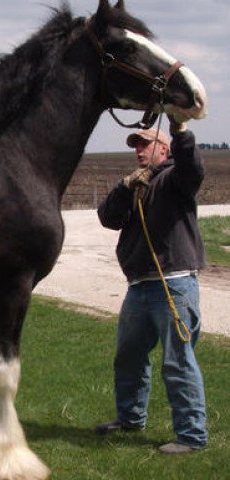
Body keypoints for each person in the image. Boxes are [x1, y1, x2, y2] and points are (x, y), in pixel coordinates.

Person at [95, 116, 208, 454]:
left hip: (173, 285)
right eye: (136, 146)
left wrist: (181, 132)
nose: (139, 151)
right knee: (128, 357)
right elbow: (107, 218)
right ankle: (130, 418)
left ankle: (191, 435)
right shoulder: (137, 185)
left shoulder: (176, 178)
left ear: (164, 148)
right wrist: (124, 187)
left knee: (178, 361)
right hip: (139, 286)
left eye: (145, 144)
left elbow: (193, 166)